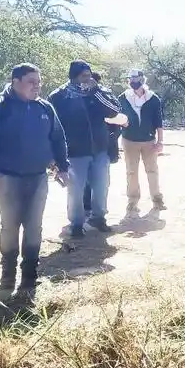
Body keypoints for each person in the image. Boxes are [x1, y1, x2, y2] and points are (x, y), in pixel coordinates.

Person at [0, 63, 69, 294]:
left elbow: (58, 138)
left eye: (39, 82)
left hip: (38, 178)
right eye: (31, 82)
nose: (36, 86)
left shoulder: (44, 108)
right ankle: (7, 277)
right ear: (15, 82)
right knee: (10, 226)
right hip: (7, 178)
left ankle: (29, 277)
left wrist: (63, 167)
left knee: (34, 227)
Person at [49, 59, 122, 238]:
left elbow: (114, 111)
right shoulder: (59, 96)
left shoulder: (99, 92)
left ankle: (99, 218)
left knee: (101, 186)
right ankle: (76, 223)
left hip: (99, 149)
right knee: (75, 189)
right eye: (84, 76)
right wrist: (54, 156)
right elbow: (51, 126)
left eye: (90, 75)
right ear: (74, 77)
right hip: (74, 151)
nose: (88, 79)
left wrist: (95, 92)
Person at [116, 69, 166, 214]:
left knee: (152, 170)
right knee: (131, 172)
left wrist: (160, 141)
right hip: (129, 140)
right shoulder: (123, 97)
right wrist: (121, 123)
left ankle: (157, 200)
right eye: (130, 79)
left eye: (135, 79)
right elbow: (118, 116)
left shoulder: (153, 98)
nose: (132, 82)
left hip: (149, 141)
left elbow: (158, 121)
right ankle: (132, 202)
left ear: (142, 80)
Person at [83, 72, 122, 218]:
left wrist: (96, 92)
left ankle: (99, 215)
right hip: (81, 147)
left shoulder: (104, 94)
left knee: (101, 182)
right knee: (83, 182)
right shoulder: (75, 95)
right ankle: (83, 211)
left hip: (101, 147)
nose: (88, 83)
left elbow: (116, 114)